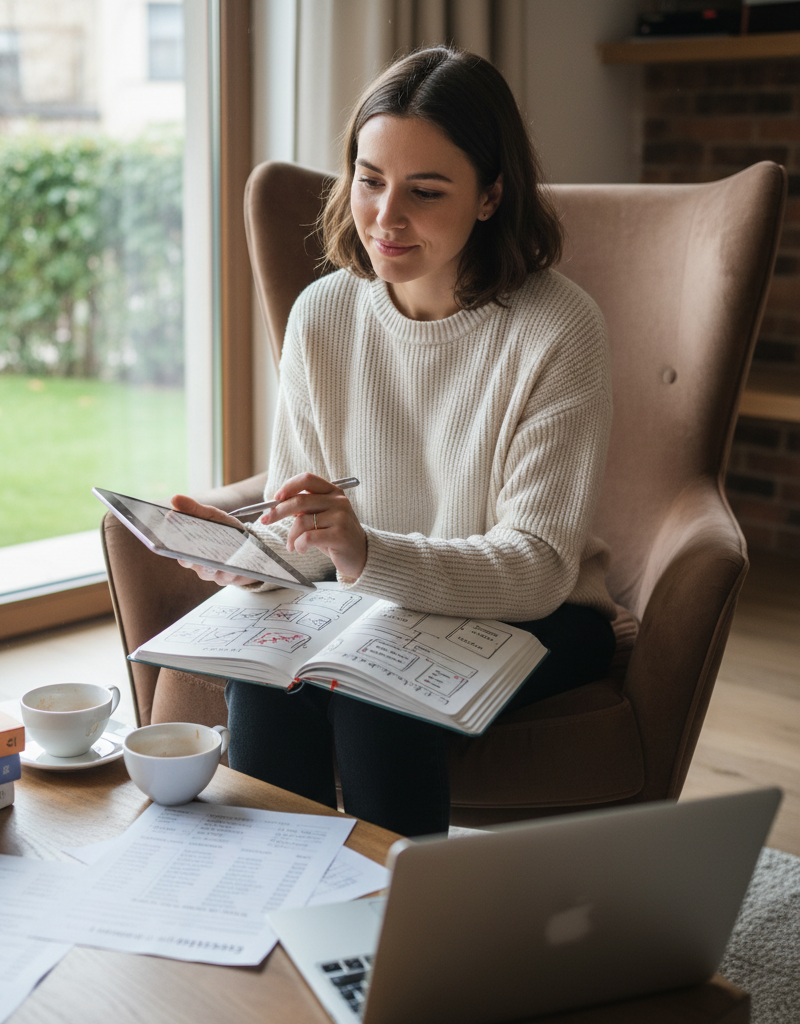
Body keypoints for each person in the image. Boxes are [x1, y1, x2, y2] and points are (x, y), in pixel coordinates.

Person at [171, 46, 617, 837]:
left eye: (426, 190)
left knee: (379, 704)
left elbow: (539, 568)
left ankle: (397, 938)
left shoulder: (558, 327)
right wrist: (247, 552)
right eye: (370, 180)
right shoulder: (324, 314)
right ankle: (275, 917)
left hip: (538, 614)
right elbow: (310, 537)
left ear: (490, 196)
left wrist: (364, 553)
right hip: (377, 601)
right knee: (264, 686)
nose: (385, 216)